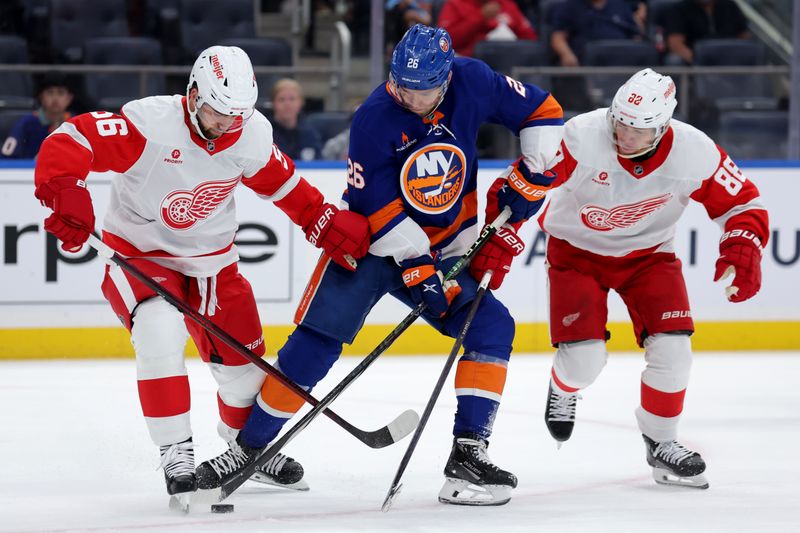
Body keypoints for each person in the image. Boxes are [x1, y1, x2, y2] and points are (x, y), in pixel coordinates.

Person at [195, 24, 564, 506]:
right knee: (316, 345)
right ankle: (250, 448)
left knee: (492, 328)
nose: (409, 97)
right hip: (372, 247)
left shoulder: (473, 80)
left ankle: (468, 453)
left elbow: (545, 111)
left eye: (423, 89)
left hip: (448, 247)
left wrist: (532, 175)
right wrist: (416, 264)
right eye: (402, 86)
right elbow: (379, 207)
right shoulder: (373, 117)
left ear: (447, 78)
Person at [32, 45, 370, 505]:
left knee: (245, 370)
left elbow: (284, 184)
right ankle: (176, 452)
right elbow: (71, 139)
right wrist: (65, 190)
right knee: (157, 329)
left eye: (237, 116)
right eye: (216, 113)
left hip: (214, 261)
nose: (225, 126)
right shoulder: (149, 123)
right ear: (192, 94)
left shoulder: (249, 133)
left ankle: (245, 446)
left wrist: (321, 219)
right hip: (140, 255)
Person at [533, 68, 769, 489]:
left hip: (650, 256)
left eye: (638, 130)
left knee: (675, 351)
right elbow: (531, 182)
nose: (624, 135)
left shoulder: (695, 151)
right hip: (575, 253)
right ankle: (563, 387)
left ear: (662, 127)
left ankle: (662, 444)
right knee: (584, 363)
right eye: (620, 122)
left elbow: (743, 202)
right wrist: (506, 225)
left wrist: (743, 245)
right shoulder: (582, 135)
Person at [1, 73, 73, 159]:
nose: (55, 98)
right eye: (50, 93)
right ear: (41, 97)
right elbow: (7, 159)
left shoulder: (75, 124)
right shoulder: (26, 124)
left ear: (69, 98)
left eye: (60, 93)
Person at [550, 0, 641, 67]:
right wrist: (567, 55)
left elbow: (635, 34)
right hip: (587, 64)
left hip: (621, 61)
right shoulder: (569, 6)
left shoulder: (620, 4)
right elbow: (558, 37)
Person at [438, 0, 538, 57]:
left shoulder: (507, 5)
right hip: (468, 61)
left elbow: (530, 38)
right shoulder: (456, 4)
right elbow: (445, 42)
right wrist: (480, 17)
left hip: (508, 64)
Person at [662, 0, 749, 65]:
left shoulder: (730, 6)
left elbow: (744, 37)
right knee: (674, 60)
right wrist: (700, 62)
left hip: (730, 60)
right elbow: (676, 45)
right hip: (695, 62)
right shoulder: (678, 10)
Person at [270, 78, 323, 161]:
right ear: (273, 103)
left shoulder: (310, 134)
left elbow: (318, 165)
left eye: (292, 99)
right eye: (281, 99)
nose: (287, 104)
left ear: (301, 103)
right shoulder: (265, 133)